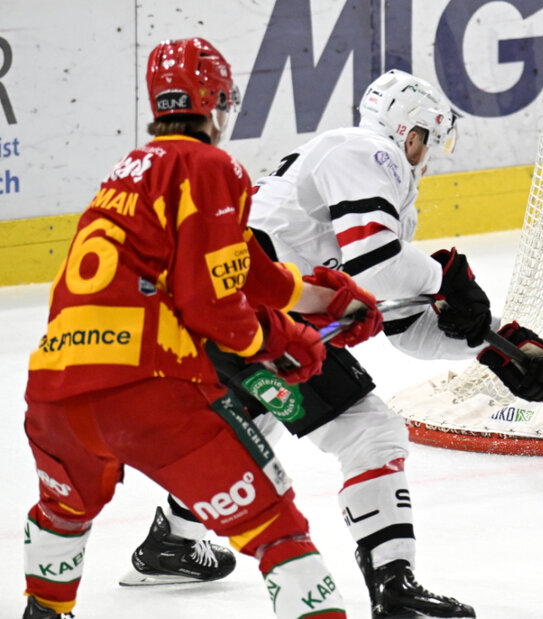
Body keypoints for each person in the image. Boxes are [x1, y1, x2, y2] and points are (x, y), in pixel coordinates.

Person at [125, 69, 543, 619]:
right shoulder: (365, 150)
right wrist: (444, 278)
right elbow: (379, 266)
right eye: (428, 142)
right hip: (245, 317)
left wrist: (502, 349)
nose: (426, 157)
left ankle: (170, 539)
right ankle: (394, 587)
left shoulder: (355, 179)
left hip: (221, 323)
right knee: (370, 432)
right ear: (409, 132)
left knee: (253, 424)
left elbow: (404, 322)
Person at [20, 37, 386, 619]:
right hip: (149, 392)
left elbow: (251, 271)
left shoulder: (128, 175)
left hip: (55, 396)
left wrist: (327, 296)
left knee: (62, 516)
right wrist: (281, 340)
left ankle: (44, 611)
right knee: (276, 526)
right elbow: (213, 311)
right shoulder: (209, 166)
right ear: (214, 98)